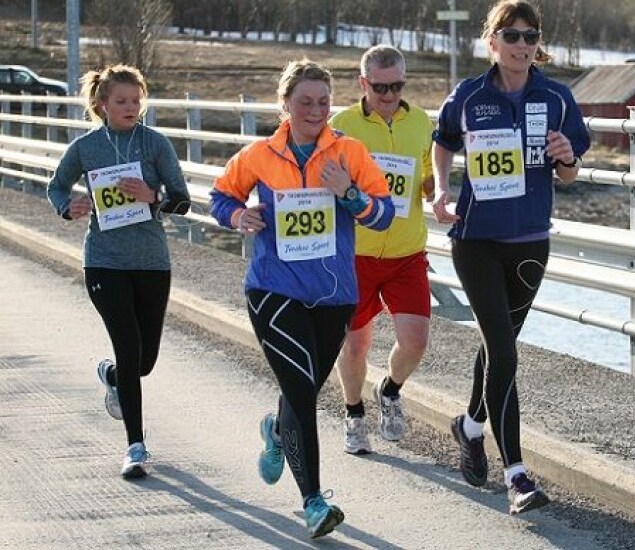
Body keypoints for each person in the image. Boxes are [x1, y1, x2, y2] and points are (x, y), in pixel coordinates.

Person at [209, 58, 394, 540]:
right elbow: (221, 197)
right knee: (300, 392)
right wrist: (238, 218)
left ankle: (276, 432)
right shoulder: (258, 155)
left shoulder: (349, 152)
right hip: (274, 289)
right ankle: (313, 501)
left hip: (333, 295)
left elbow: (383, 215)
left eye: (323, 102)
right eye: (305, 102)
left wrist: (349, 193)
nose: (315, 110)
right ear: (285, 104)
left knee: (305, 389)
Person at [432, 0, 590, 515]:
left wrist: (567, 159)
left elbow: (569, 173)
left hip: (529, 243)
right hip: (476, 240)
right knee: (503, 353)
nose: (522, 45)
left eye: (531, 36)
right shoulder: (469, 95)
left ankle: (470, 426)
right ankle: (516, 476)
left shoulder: (557, 97)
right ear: (493, 42)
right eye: (512, 35)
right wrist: (441, 188)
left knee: (498, 346)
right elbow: (443, 140)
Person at [46, 64, 191, 479]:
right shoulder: (85, 148)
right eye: (122, 101)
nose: (131, 107)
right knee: (128, 347)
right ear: (102, 104)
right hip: (104, 261)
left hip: (151, 261)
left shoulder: (155, 144)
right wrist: (68, 207)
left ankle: (112, 375)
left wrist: (153, 195)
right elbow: (57, 186)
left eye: (136, 100)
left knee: (143, 362)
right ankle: (135, 446)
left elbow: (182, 200)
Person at [330, 45, 434, 455]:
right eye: (380, 87)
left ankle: (389, 390)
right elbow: (323, 180)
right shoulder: (342, 125)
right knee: (356, 345)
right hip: (356, 252)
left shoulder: (420, 120)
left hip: (407, 252)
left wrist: (431, 186)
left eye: (396, 86)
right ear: (363, 83)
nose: (389, 95)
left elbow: (427, 171)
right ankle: (354, 414)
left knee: (416, 342)